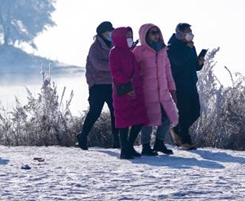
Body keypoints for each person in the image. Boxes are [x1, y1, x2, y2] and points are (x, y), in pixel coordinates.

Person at [134, 23, 179, 156]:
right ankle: (146, 146)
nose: (156, 35)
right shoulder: (139, 51)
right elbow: (133, 71)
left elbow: (167, 70)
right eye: (152, 32)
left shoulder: (163, 50)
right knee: (147, 120)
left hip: (163, 91)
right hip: (147, 91)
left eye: (157, 32)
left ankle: (159, 142)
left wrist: (172, 89)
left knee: (167, 117)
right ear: (145, 35)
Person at [76, 21, 119, 150]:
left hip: (111, 84)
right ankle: (83, 135)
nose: (111, 34)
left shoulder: (114, 45)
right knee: (95, 112)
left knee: (115, 112)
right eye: (108, 32)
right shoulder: (95, 48)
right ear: (101, 34)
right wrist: (116, 66)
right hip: (97, 85)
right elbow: (98, 65)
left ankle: (117, 139)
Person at [109, 26, 147, 160]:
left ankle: (129, 146)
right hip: (123, 91)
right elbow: (115, 72)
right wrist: (128, 85)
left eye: (130, 36)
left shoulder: (130, 53)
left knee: (139, 118)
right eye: (127, 36)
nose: (129, 39)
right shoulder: (115, 53)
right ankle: (124, 149)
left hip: (135, 90)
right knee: (124, 121)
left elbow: (134, 71)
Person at [167, 22, 204, 149]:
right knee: (185, 112)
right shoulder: (172, 47)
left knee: (195, 112)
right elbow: (178, 62)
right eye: (187, 32)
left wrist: (199, 63)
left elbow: (194, 66)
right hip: (178, 84)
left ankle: (177, 130)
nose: (190, 35)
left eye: (190, 32)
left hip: (191, 83)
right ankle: (185, 141)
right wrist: (188, 49)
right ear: (179, 33)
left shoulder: (190, 47)